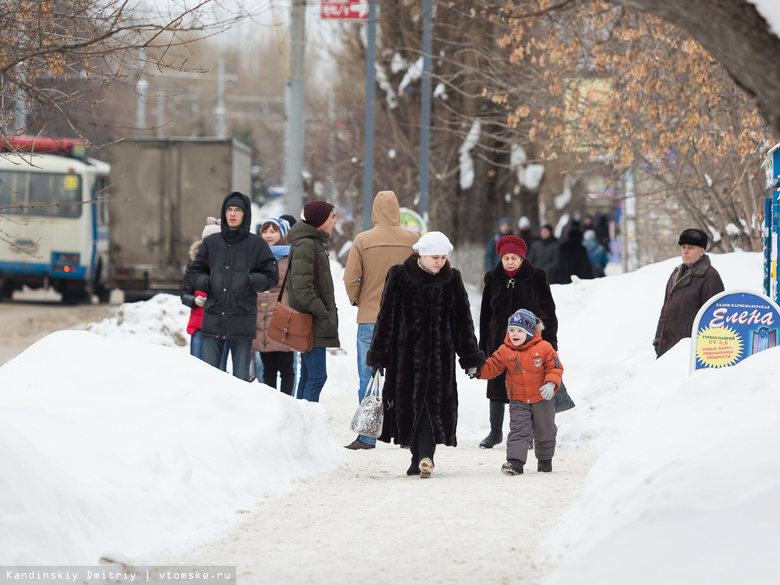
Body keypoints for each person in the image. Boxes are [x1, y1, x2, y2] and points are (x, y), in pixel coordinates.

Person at [366, 231, 485, 478]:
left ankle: (426, 456)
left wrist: (470, 357)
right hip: (406, 356)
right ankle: (416, 457)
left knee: (433, 407)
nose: (440, 262)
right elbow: (386, 317)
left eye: (443, 257)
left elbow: (463, 321)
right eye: (435, 257)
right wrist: (379, 356)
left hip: (440, 358)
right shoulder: (399, 276)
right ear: (421, 255)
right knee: (411, 406)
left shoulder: (452, 279)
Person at [342, 190, 419, 450]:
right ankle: (406, 433)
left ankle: (367, 436)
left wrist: (358, 301)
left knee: (368, 376)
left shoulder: (362, 240)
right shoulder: (413, 239)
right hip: (405, 319)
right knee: (405, 375)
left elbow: (350, 278)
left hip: (371, 319)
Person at [478, 234, 558, 449]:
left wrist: (550, 344)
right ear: (501, 259)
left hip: (530, 345)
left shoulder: (536, 278)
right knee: (496, 385)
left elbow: (548, 314)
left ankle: (528, 434)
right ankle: (495, 432)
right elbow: (485, 317)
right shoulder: (492, 279)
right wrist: (482, 349)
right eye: (506, 258)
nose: (510, 261)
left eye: (514, 257)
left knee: (527, 387)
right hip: (498, 341)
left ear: (522, 259)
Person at [189, 192, 279, 382]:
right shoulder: (211, 243)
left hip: (242, 319)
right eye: (229, 210)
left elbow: (271, 276)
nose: (232, 214)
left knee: (240, 381)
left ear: (245, 213)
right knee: (210, 378)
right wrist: (209, 282)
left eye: (237, 210)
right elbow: (194, 272)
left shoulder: (256, 244)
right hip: (214, 318)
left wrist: (248, 280)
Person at [471, 309, 563, 475]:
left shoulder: (544, 348)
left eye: (520, 330)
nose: (514, 334)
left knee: (545, 430)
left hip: (542, 397)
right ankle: (515, 463)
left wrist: (551, 383)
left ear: (529, 332)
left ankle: (544, 460)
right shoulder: (505, 350)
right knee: (519, 429)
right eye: (512, 329)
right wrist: (478, 370)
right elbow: (492, 366)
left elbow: (555, 367)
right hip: (518, 400)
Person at [287, 200, 340, 402]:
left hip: (313, 320)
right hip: (311, 322)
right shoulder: (307, 245)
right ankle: (307, 423)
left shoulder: (313, 242)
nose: (335, 222)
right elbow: (303, 289)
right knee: (317, 376)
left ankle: (301, 423)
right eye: (332, 217)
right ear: (320, 220)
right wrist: (323, 313)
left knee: (309, 376)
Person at [653, 228, 725, 358]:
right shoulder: (676, 274)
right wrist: (658, 340)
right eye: (683, 247)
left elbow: (714, 320)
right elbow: (665, 311)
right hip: (668, 348)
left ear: (702, 251)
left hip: (690, 352)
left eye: (691, 248)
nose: (685, 252)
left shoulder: (710, 277)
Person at [253, 217, 295, 395]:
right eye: (265, 231)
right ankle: (271, 406)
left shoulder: (291, 255)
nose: (268, 235)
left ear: (283, 233)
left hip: (283, 314)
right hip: (261, 315)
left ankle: (287, 404)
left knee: (286, 367)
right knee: (267, 368)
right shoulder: (256, 255)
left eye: (273, 231)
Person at [181, 217, 222, 360]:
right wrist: (194, 300)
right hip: (198, 325)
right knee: (196, 366)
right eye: (207, 239)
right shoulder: (194, 261)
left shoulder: (227, 261)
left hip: (219, 326)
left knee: (218, 370)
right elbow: (184, 293)